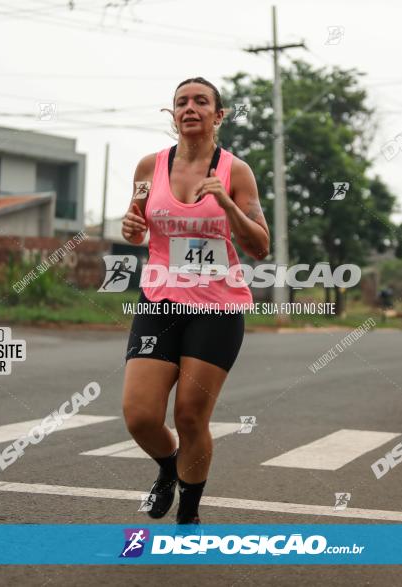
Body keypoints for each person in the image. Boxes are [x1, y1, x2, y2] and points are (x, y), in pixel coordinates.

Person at [120, 77, 270, 527]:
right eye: (181, 102)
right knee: (141, 415)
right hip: (159, 302)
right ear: (173, 114)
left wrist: (228, 204)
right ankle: (169, 468)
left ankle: (189, 511)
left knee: (189, 415)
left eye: (201, 102)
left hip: (217, 308)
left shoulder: (235, 171)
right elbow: (137, 224)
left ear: (218, 115)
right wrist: (131, 229)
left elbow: (261, 246)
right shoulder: (149, 166)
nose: (190, 108)